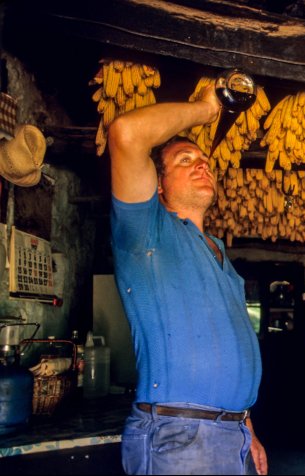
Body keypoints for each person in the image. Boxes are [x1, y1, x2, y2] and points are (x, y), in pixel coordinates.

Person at [108, 83, 267, 475]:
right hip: (179, 437)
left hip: (232, 435)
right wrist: (207, 109)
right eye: (185, 160)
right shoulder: (145, 230)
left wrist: (244, 423)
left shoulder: (218, 252)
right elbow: (125, 133)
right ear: (158, 186)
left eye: (205, 161)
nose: (202, 165)